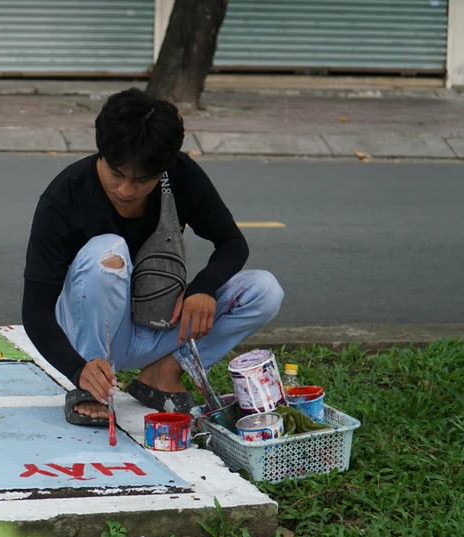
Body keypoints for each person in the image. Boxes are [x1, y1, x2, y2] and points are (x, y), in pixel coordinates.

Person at [22, 89, 284, 425]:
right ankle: (92, 387)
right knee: (107, 250)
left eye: (142, 180)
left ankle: (164, 372)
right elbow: (35, 311)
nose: (126, 190)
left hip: (162, 325)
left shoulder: (180, 174)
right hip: (92, 336)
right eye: (117, 174)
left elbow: (232, 242)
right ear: (101, 152)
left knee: (264, 290)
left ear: (163, 167)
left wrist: (203, 287)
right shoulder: (64, 197)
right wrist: (77, 368)